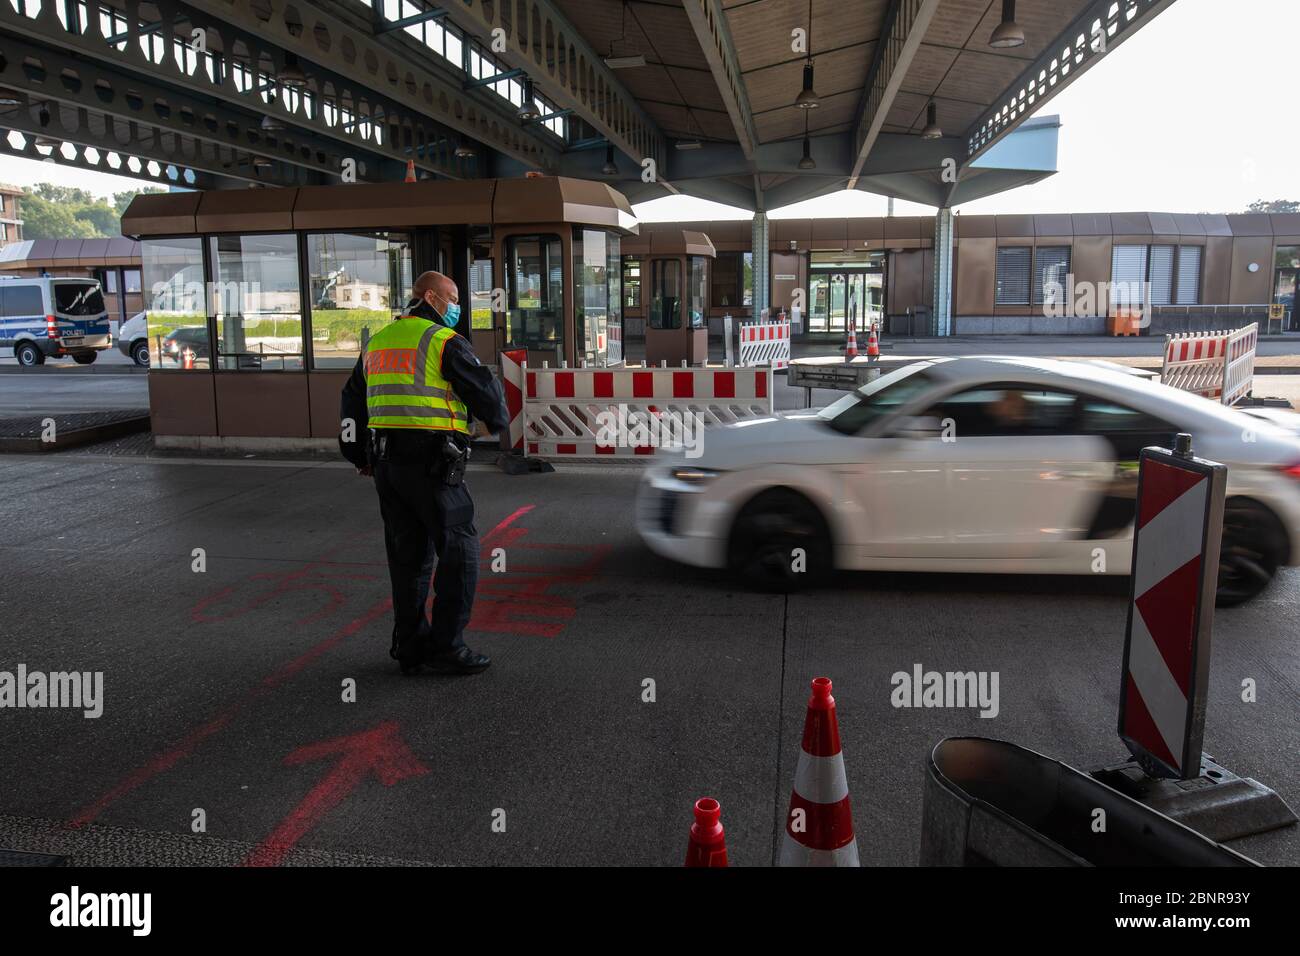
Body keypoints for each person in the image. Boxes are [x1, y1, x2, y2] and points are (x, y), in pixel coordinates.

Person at [339, 270, 509, 676]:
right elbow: (486, 392)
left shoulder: (378, 343)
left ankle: (411, 646)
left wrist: (357, 454)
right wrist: (496, 422)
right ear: (430, 297)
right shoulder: (443, 341)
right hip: (433, 465)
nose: (456, 308)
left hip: (387, 467)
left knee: (407, 557)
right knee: (459, 552)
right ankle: (447, 647)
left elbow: (352, 400)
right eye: (453, 299)